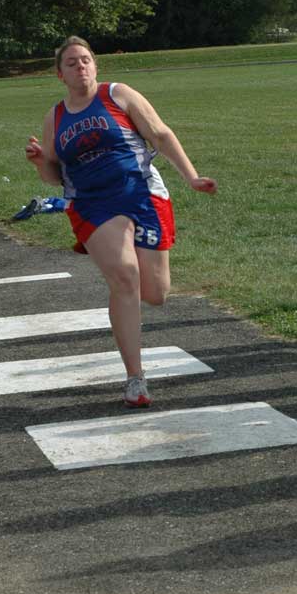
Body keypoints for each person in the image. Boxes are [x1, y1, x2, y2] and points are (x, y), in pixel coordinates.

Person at [25, 37, 217, 408]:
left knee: (155, 293)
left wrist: (191, 177)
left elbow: (160, 134)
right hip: (92, 203)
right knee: (125, 276)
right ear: (59, 74)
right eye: (71, 63)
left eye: (85, 60)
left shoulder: (118, 94)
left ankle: (133, 350)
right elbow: (53, 174)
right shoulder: (56, 117)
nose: (80, 66)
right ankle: (135, 378)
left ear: (95, 66)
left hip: (141, 192)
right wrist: (39, 161)